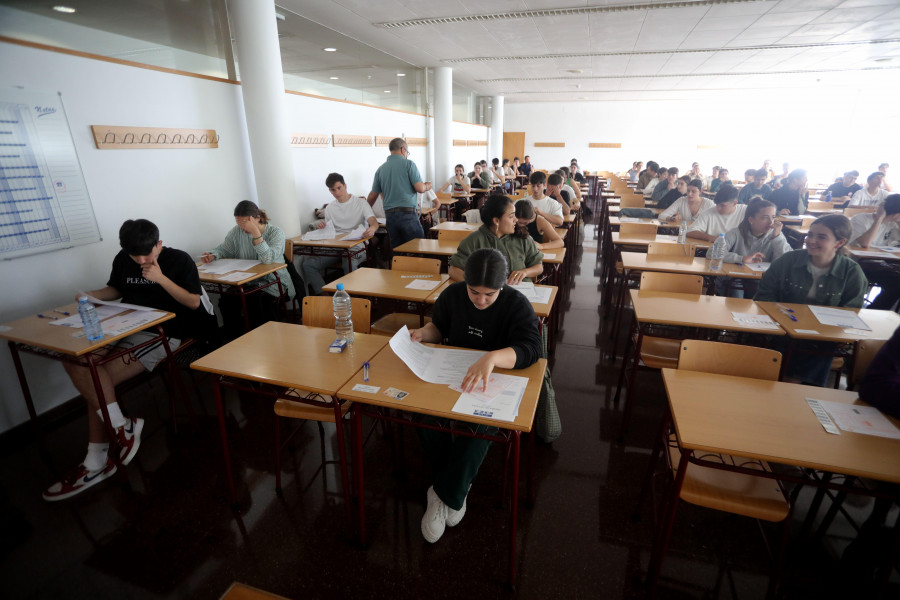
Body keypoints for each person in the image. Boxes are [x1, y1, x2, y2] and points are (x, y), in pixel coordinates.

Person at [43, 219, 203, 501]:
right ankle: (121, 426)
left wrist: (161, 278)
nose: (142, 261)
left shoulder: (179, 260)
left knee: (94, 380)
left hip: (166, 331)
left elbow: (193, 302)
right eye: (135, 257)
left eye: (148, 254)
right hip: (125, 323)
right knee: (75, 360)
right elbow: (116, 289)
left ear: (159, 244)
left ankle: (95, 461)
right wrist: (91, 295)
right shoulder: (123, 258)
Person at [410, 248, 542, 543]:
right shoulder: (453, 295)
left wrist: (493, 358)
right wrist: (423, 334)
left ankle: (442, 493)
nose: (481, 300)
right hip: (452, 373)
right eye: (474, 292)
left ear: (503, 286)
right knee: (422, 412)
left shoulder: (516, 304)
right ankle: (454, 487)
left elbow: (532, 349)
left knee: (477, 426)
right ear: (465, 283)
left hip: (494, 380)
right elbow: (438, 327)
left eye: (489, 295)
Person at [755, 215, 868, 386]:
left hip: (823, 337)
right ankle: (793, 389)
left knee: (819, 346)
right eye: (810, 234)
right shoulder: (787, 261)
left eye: (821, 237)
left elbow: (851, 312)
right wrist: (781, 321)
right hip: (782, 330)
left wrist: (817, 328)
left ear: (839, 243)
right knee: (788, 345)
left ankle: (790, 387)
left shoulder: (851, 272)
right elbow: (763, 296)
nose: (811, 240)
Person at [202, 200, 294, 337]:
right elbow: (224, 249)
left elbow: (268, 259)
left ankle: (266, 339)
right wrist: (213, 255)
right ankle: (236, 340)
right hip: (246, 280)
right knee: (227, 301)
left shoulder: (276, 233)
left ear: (257, 218)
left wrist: (256, 233)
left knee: (254, 301)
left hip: (272, 280)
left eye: (245, 223)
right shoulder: (237, 232)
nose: (242, 228)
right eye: (239, 223)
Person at [300, 174, 379, 295]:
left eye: (339, 188)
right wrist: (323, 227)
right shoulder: (331, 207)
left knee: (348, 261)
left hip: (357, 246)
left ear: (345, 186)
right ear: (329, 190)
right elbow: (329, 230)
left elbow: (373, 221)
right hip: (336, 247)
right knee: (308, 264)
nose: (337, 192)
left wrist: (372, 228)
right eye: (333, 190)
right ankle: (325, 297)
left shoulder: (360, 203)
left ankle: (351, 297)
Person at [449, 195, 544, 284]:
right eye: (511, 216)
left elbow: (539, 267)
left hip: (520, 292)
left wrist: (525, 272)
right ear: (496, 221)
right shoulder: (474, 240)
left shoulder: (523, 237)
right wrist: (478, 286)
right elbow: (453, 270)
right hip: (486, 298)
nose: (516, 219)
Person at [718, 198, 791, 297]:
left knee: (759, 297)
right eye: (765, 218)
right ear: (751, 219)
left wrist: (777, 238)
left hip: (760, 279)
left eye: (773, 217)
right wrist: (742, 258)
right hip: (734, 279)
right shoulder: (736, 233)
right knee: (737, 298)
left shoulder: (776, 235)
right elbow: (712, 253)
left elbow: (787, 262)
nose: (770, 222)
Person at [367, 137, 432, 248]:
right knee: (419, 248)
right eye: (407, 152)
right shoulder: (409, 164)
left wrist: (365, 211)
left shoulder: (380, 169)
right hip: (408, 214)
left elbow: (373, 196)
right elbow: (420, 188)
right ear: (403, 149)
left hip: (390, 216)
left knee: (398, 251)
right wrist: (427, 186)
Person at [849, 194, 900, 310]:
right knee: (897, 284)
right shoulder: (860, 219)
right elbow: (865, 243)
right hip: (859, 263)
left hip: (882, 263)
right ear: (896, 214)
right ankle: (873, 311)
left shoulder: (893, 224)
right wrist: (879, 219)